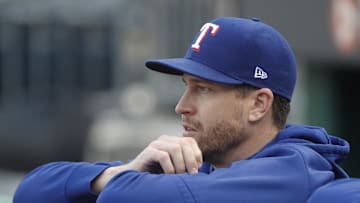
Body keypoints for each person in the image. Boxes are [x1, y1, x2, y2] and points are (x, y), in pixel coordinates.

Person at [13, 17, 350, 203]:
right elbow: (31, 191)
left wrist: (125, 183)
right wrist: (120, 171)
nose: (181, 107)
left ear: (259, 104)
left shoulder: (292, 171)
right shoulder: (205, 164)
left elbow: (125, 201)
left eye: (203, 90)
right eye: (185, 86)